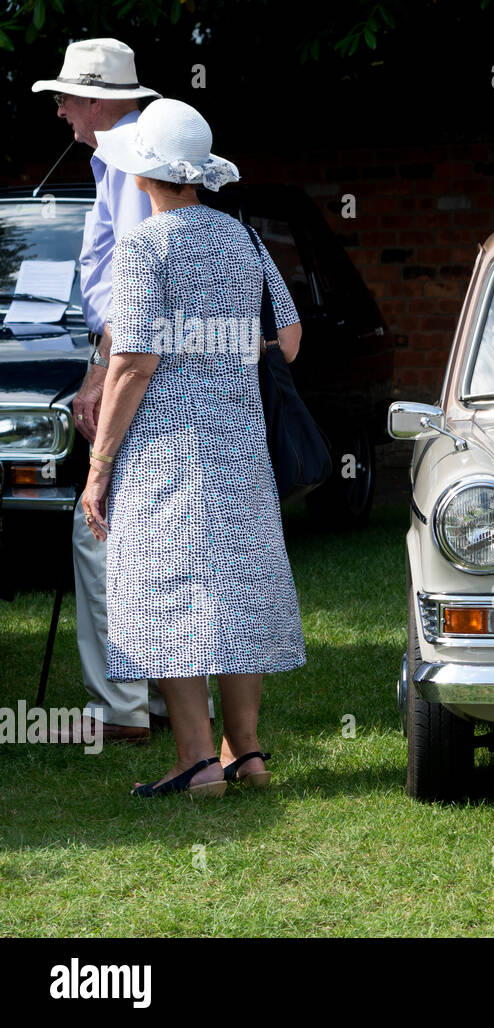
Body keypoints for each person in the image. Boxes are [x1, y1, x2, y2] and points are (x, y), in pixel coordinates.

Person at [80, 98, 306, 797]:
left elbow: (134, 361)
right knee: (237, 591)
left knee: (166, 591)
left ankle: (196, 763)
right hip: (240, 443)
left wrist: (99, 465)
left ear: (145, 175)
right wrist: (227, 358)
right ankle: (250, 756)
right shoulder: (243, 237)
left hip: (166, 450)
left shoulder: (147, 245)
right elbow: (290, 341)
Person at [31, 37, 213, 744]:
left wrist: (101, 376)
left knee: (99, 526)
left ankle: (121, 704)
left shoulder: (130, 158)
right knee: (139, 533)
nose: (61, 112)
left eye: (69, 97)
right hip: (148, 370)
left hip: (142, 372)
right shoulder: (122, 154)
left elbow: (139, 293)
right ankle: (156, 697)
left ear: (102, 99)